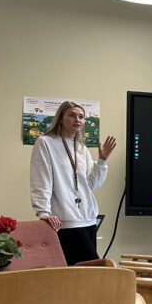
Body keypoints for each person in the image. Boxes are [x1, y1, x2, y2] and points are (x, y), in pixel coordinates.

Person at [29, 101, 116, 266]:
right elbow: (41, 180)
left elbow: (91, 185)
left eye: (81, 117)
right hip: (65, 219)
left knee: (79, 275)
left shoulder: (82, 148)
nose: (78, 119)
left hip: (88, 219)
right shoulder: (45, 142)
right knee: (93, 270)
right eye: (72, 115)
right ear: (61, 119)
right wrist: (43, 212)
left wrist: (102, 161)